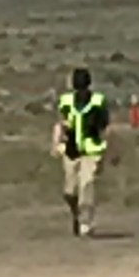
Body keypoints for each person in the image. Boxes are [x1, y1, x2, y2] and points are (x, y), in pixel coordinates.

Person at [53, 67, 112, 237]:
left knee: (87, 185)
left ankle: (86, 222)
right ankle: (76, 214)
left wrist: (108, 150)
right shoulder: (66, 101)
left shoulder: (98, 102)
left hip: (91, 151)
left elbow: (105, 128)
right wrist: (56, 143)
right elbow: (61, 123)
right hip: (71, 151)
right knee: (70, 191)